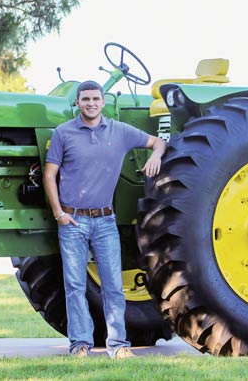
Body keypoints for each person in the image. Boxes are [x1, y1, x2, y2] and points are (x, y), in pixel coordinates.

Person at [43, 80, 166, 359]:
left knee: (112, 285)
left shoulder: (119, 131)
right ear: (77, 102)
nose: (91, 103)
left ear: (103, 102)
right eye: (85, 99)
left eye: (96, 98)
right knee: (74, 286)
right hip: (72, 221)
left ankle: (119, 346)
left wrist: (156, 156)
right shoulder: (63, 133)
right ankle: (80, 345)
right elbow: (49, 174)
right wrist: (58, 214)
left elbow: (159, 142)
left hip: (105, 221)